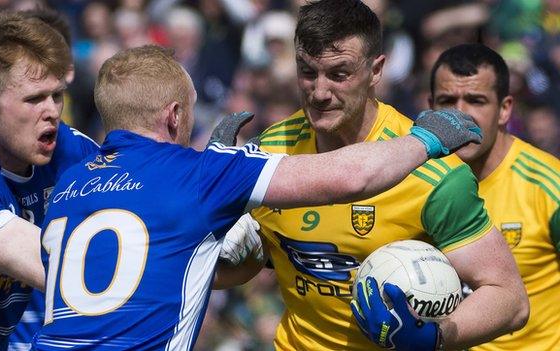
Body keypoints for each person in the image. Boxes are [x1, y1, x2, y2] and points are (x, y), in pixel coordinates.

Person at [31, 44, 481, 350]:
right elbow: (351, 176)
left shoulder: (69, 187)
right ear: (173, 116)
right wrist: (426, 139)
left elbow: (168, 269)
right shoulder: (201, 173)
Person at [245, 1, 529, 350]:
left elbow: (509, 299)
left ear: (376, 70)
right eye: (307, 72)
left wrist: (436, 337)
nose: (319, 92)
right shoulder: (267, 154)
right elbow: (243, 266)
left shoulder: (432, 171)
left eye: (339, 74)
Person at [0, 12, 97, 350]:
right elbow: (62, 272)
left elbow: (141, 190)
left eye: (57, 95)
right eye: (34, 98)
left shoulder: (69, 147)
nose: (52, 110)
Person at [429, 43, 560, 351]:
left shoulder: (549, 187)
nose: (460, 115)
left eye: (476, 100)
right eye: (447, 101)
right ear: (429, 107)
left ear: (504, 109)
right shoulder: (411, 183)